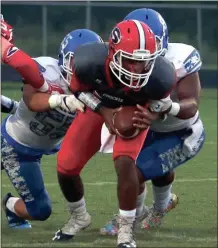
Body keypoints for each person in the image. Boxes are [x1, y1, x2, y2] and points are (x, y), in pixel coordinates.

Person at [52, 19, 177, 248]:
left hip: (136, 109)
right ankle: (79, 216)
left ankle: (126, 230)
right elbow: (79, 91)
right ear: (112, 53)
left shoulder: (161, 75)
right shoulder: (88, 61)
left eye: (143, 62)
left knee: (125, 162)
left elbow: (163, 107)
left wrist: (153, 116)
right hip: (99, 104)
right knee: (66, 165)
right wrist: (104, 110)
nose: (136, 69)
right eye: (130, 60)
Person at [99, 8, 205, 236]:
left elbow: (191, 105)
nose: (139, 54)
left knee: (136, 171)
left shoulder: (179, 60)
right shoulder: (119, 62)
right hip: (148, 128)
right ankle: (160, 205)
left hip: (182, 132)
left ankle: (131, 218)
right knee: (150, 169)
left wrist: (165, 108)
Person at [1, 20, 103, 229]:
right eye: (76, 61)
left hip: (33, 153)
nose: (81, 68)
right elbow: (32, 100)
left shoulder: (98, 87)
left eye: (88, 62)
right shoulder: (46, 69)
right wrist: (60, 99)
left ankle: (9, 206)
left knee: (41, 210)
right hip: (10, 142)